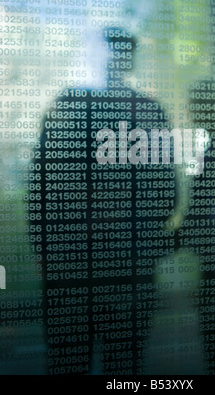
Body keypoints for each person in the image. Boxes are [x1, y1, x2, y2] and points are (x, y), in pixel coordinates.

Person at [30, 27, 177, 375]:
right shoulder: (150, 113)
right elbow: (168, 197)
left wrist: (43, 249)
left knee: (68, 361)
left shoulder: (67, 106)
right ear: (131, 61)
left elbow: (41, 188)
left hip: (69, 264)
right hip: (131, 264)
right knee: (124, 366)